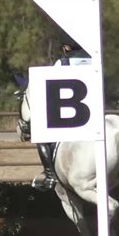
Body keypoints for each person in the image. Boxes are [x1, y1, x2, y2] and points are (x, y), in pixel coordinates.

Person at [32, 39, 92, 190]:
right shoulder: (94, 61)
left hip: (71, 115)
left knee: (42, 140)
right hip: (94, 114)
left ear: (67, 47)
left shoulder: (62, 63)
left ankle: (50, 176)